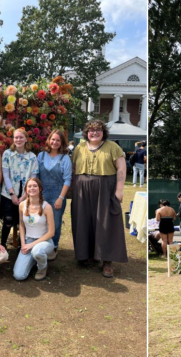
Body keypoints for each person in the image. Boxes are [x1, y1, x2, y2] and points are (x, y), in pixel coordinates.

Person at [72, 119, 128, 278]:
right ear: (86, 133)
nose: (94, 133)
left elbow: (121, 167)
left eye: (98, 130)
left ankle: (107, 260)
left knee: (105, 222)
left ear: (103, 132)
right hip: (82, 188)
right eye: (91, 130)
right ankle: (87, 254)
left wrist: (119, 190)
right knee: (84, 222)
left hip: (105, 188)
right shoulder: (79, 147)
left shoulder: (113, 147)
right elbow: (74, 167)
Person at [0, 128, 38, 249]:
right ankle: (3, 245)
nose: (18, 139)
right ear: (13, 139)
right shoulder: (7, 154)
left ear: (26, 139)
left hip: (26, 195)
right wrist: (12, 194)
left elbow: (33, 178)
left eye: (21, 137)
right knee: (8, 220)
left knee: (25, 221)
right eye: (16, 137)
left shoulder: (32, 157)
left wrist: (24, 196)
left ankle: (23, 246)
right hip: (9, 193)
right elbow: (5, 175)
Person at [37, 130, 71, 260]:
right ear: (49, 140)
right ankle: (41, 246)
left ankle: (54, 246)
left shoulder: (65, 158)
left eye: (58, 140)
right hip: (42, 194)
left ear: (61, 143)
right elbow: (36, 176)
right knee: (41, 222)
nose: (55, 142)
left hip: (57, 195)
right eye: (53, 139)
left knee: (55, 224)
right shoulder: (41, 156)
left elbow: (67, 179)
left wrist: (61, 198)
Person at [13, 178, 55, 281]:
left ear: (40, 188)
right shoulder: (22, 205)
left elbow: (51, 232)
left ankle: (42, 268)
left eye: (35, 186)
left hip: (44, 242)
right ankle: (35, 260)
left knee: (37, 251)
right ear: (26, 190)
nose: (32, 188)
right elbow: (21, 225)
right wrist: (23, 244)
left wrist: (31, 245)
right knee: (19, 276)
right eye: (29, 186)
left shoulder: (47, 207)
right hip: (28, 241)